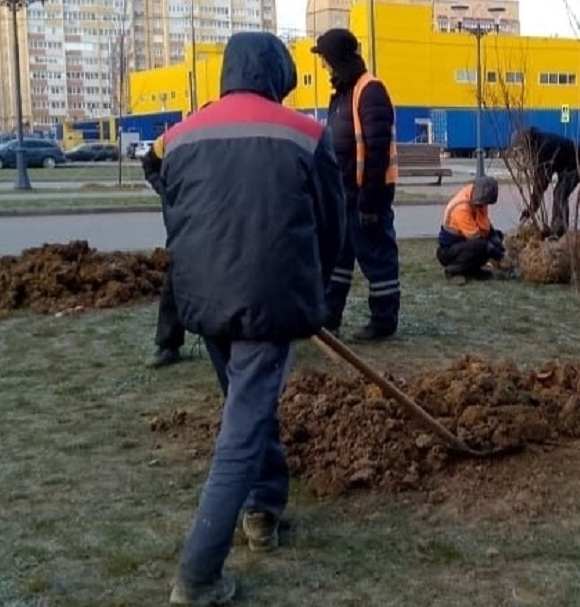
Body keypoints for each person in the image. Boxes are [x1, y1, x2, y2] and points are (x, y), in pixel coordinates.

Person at [143, 31, 345, 605]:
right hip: (268, 299)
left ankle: (262, 511)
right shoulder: (305, 134)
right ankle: (198, 575)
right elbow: (332, 225)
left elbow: (168, 195)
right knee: (243, 428)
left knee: (249, 408)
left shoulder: (181, 135)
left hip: (202, 301)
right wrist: (314, 288)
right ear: (280, 74)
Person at [310, 28, 401, 342]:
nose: (323, 66)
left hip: (366, 195)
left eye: (325, 59)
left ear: (336, 58)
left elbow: (376, 149)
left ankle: (383, 323)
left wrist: (370, 199)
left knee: (377, 259)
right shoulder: (342, 93)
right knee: (338, 261)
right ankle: (328, 320)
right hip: (343, 196)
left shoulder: (369, 90)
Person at [141, 152, 186, 369]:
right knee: (176, 277)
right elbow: (149, 162)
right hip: (184, 220)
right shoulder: (174, 138)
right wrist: (166, 191)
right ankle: (168, 344)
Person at [509, 126, 580, 238]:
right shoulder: (538, 145)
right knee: (558, 191)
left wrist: (532, 208)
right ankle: (556, 229)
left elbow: (541, 182)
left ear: (527, 144)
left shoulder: (543, 148)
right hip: (566, 166)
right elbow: (540, 180)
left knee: (560, 193)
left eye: (522, 151)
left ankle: (560, 230)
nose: (522, 155)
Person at [437, 176, 504, 282]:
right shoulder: (461, 208)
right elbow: (475, 237)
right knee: (482, 246)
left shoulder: (479, 197)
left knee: (495, 237)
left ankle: (473, 271)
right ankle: (453, 270)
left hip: (463, 244)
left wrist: (495, 238)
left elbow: (485, 228)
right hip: (448, 251)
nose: (485, 206)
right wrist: (497, 254)